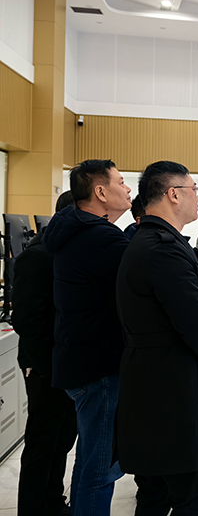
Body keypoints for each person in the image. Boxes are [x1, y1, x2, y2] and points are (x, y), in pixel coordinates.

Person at [116, 160, 198, 516]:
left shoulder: (151, 240)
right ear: (173, 194)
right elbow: (195, 321)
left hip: (153, 381)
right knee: (191, 496)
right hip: (168, 388)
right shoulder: (162, 248)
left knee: (155, 493)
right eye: (193, 190)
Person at [45, 159, 132, 516]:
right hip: (98, 368)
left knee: (89, 461)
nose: (128, 189)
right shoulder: (100, 237)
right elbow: (144, 280)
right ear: (100, 192)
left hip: (79, 362)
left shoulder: (75, 230)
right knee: (100, 469)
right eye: (121, 182)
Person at [14, 191, 77, 516]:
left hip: (66, 365)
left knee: (62, 439)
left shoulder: (66, 251)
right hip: (45, 367)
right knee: (42, 444)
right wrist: (47, 368)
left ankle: (53, 502)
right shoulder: (38, 256)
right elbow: (27, 320)